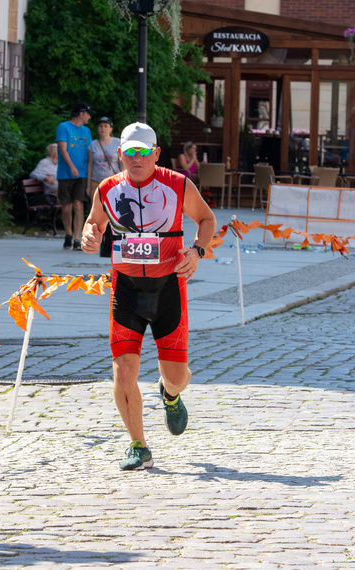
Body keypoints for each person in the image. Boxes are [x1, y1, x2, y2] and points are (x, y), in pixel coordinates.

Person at [79, 122, 216, 471]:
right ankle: (138, 446)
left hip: (168, 287)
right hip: (125, 288)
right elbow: (93, 223)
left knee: (177, 375)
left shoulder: (178, 184)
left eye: (144, 151)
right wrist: (89, 236)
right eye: (130, 151)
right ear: (120, 153)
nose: (137, 158)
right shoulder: (107, 189)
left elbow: (206, 219)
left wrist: (197, 252)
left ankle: (170, 394)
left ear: (155, 153)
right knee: (123, 369)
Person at [56, 102, 93, 251]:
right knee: (66, 207)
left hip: (82, 174)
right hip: (66, 173)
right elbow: (63, 149)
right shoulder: (63, 127)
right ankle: (68, 234)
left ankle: (77, 238)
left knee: (79, 205)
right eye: (88, 114)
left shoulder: (87, 131)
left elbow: (90, 152)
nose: (90, 117)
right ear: (81, 113)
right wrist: (72, 167)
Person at [86, 117, 120, 198]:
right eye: (100, 126)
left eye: (105, 126)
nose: (103, 129)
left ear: (111, 129)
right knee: (96, 208)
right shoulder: (93, 144)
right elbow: (90, 165)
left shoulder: (118, 142)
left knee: (112, 207)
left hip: (113, 181)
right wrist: (88, 186)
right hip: (96, 181)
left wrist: (124, 182)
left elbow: (122, 163)